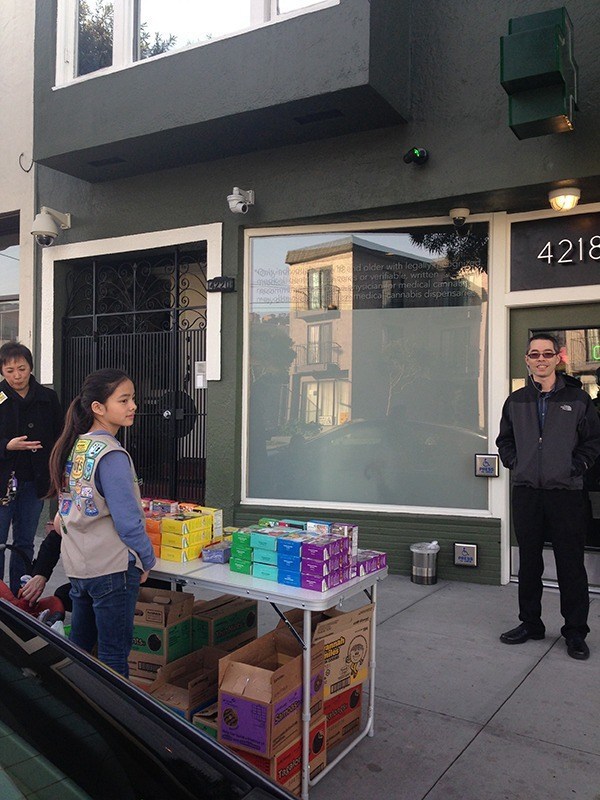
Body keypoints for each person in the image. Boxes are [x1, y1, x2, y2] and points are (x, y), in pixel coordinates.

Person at [496, 333, 600, 661]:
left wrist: (574, 466)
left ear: (558, 358)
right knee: (529, 563)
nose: (541, 359)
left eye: (547, 354)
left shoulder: (578, 400)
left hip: (566, 495)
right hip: (527, 494)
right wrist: (518, 463)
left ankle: (575, 632)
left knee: (571, 565)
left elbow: (593, 442)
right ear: (527, 360)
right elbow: (505, 441)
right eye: (534, 354)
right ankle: (531, 624)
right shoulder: (516, 401)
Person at [47, 368, 156, 677]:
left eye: (132, 398)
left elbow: (60, 516)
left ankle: (80, 710)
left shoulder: (75, 447)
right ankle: (115, 721)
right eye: (123, 400)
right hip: (111, 568)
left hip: (79, 567)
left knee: (80, 649)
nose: (133, 406)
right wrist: (146, 558)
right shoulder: (112, 455)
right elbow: (128, 522)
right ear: (98, 407)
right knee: (113, 656)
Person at [0, 341, 64, 596]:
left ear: (31, 368)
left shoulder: (48, 397)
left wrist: (58, 474)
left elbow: (61, 435)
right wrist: (7, 445)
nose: (17, 375)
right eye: (10, 370)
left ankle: (19, 595)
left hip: (35, 482)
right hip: (4, 482)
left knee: (25, 541)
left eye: (22, 369)